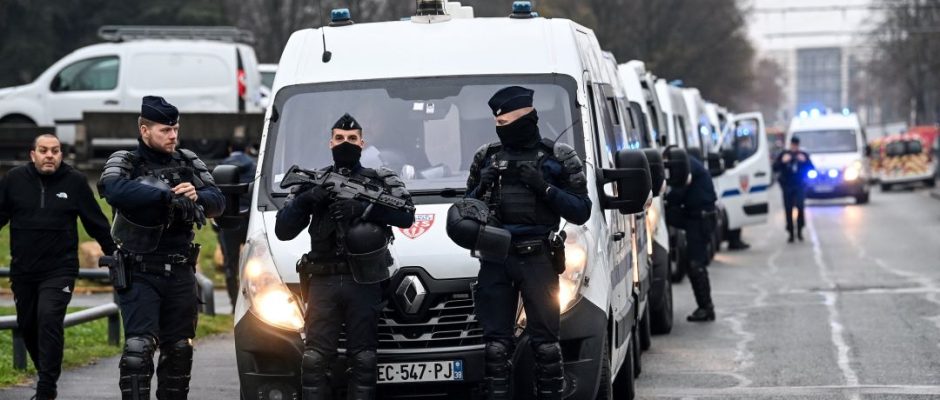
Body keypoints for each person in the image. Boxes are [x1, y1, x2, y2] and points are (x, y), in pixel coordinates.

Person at [274, 113, 415, 400]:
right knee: (314, 359)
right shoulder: (314, 180)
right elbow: (283, 230)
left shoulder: (379, 180)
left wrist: (364, 209)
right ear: (330, 143)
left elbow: (406, 215)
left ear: (362, 143)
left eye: (352, 138)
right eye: (339, 138)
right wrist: (307, 200)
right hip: (323, 280)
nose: (345, 143)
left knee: (364, 359)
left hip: (363, 281)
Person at [464, 86, 592, 400]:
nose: (501, 129)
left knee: (546, 346)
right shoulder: (487, 157)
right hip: (495, 258)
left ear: (527, 119)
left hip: (537, 258)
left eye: (507, 123)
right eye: (498, 124)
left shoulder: (557, 156)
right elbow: (466, 211)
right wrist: (480, 189)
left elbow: (581, 210)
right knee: (495, 348)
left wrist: (543, 187)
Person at [98, 96, 225, 400]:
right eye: (165, 130)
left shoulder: (188, 160)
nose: (173, 136)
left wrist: (197, 196)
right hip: (140, 268)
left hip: (180, 269)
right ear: (145, 130)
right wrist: (166, 195)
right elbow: (112, 190)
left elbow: (218, 201)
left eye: (175, 129)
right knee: (138, 349)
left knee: (180, 349)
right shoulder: (126, 161)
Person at [0, 134, 117, 400]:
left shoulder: (74, 181)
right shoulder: (14, 180)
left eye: (55, 151)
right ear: (33, 154)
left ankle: (46, 387)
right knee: (28, 325)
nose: (49, 155)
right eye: (43, 150)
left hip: (59, 269)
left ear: (61, 155)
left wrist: (114, 252)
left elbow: (95, 222)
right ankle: (47, 374)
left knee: (49, 318)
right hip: (23, 270)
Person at [665, 154, 718, 322]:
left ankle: (706, 308)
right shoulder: (689, 164)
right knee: (694, 263)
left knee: (696, 264)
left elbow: (679, 191)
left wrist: (667, 199)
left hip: (700, 219)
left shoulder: (687, 167)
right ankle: (705, 307)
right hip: (697, 217)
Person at [216, 140, 256, 312]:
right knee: (254, 263)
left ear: (230, 148)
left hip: (229, 221)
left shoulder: (221, 168)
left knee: (230, 264)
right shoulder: (254, 167)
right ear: (247, 149)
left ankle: (234, 304)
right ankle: (252, 304)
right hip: (249, 220)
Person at [773, 136, 815, 242]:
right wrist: (783, 161)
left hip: (799, 185)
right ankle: (790, 232)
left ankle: (800, 230)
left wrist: (804, 161)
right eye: (793, 145)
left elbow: (812, 168)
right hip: (787, 186)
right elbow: (775, 167)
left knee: (800, 207)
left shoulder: (802, 155)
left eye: (796, 145)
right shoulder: (784, 154)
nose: (794, 147)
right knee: (788, 209)